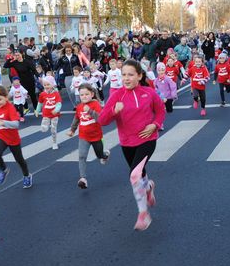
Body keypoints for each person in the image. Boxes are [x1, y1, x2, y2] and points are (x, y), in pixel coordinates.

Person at [97, 59, 165, 231]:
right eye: (123, 75)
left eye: (130, 75)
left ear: (139, 76)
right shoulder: (116, 96)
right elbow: (102, 120)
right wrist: (114, 111)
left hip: (147, 139)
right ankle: (149, 186)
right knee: (140, 176)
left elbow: (160, 110)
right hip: (127, 142)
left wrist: (155, 125)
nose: (126, 78)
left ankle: (143, 214)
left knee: (134, 175)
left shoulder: (148, 92)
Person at [66, 83, 110, 189]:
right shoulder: (79, 107)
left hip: (96, 136)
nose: (84, 97)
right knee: (82, 156)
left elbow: (100, 118)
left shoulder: (95, 105)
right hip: (83, 136)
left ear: (92, 94)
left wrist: (89, 111)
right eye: (82, 95)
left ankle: (105, 155)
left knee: (99, 155)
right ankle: (83, 179)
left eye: (86, 94)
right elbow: (76, 119)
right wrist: (72, 130)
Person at [0, 86, 33, 188]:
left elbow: (16, 124)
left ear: (6, 97)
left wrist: (4, 122)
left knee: (19, 160)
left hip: (13, 138)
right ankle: (4, 170)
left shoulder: (10, 108)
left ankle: (27, 176)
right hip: (1, 136)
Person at [35, 75, 62, 150]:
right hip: (46, 115)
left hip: (54, 115)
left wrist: (56, 110)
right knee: (44, 129)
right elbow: (40, 103)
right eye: (45, 85)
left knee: (53, 129)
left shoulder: (56, 93)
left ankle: (54, 142)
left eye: (48, 84)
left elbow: (59, 103)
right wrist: (37, 111)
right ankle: (47, 125)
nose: (46, 86)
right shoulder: (42, 94)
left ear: (52, 84)